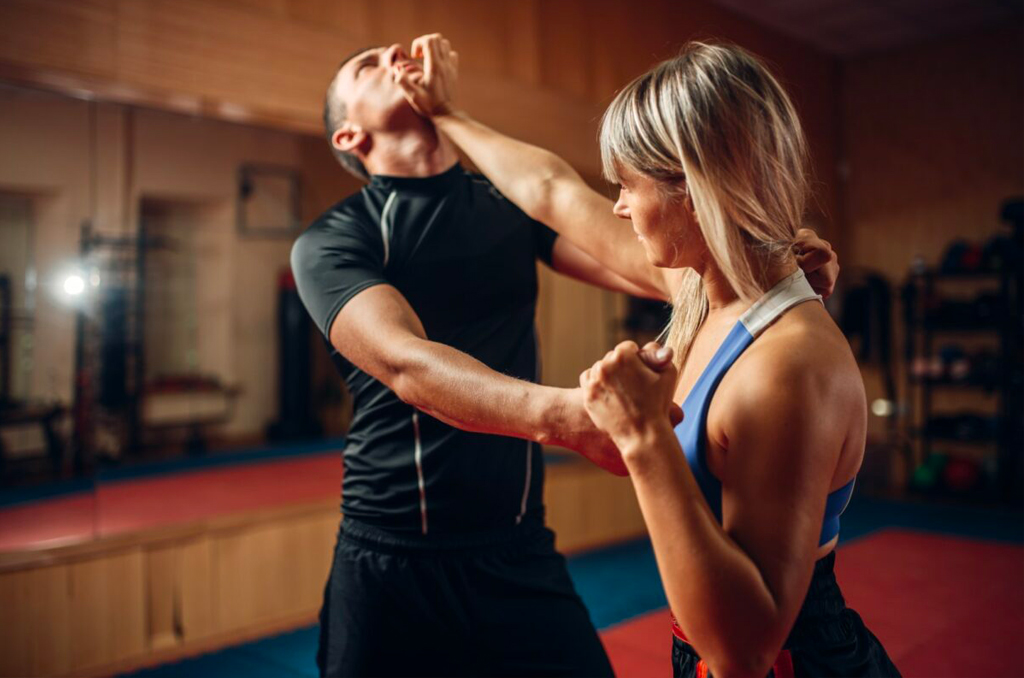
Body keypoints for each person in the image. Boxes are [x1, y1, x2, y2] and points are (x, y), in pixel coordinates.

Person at [292, 42, 839, 678]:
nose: (393, 55)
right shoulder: (333, 239)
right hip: (390, 550)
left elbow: (641, 254)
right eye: (367, 66)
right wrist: (574, 417)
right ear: (348, 133)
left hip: (515, 542)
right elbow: (406, 364)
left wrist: (765, 257)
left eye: (394, 49)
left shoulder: (503, 204)